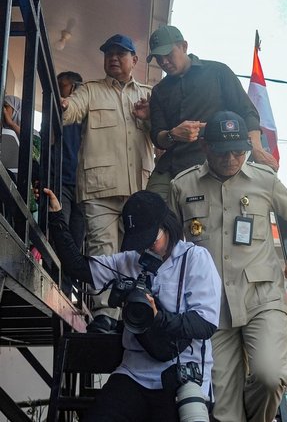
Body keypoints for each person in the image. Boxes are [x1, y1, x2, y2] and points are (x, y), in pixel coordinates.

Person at [168, 110, 287, 422]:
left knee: (271, 375)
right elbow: (169, 243)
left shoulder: (265, 181)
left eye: (239, 152)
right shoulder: (183, 186)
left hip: (261, 297)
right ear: (206, 148)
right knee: (221, 405)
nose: (233, 159)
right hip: (210, 308)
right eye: (224, 152)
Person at [44, 187, 221, 421]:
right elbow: (79, 267)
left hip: (182, 376)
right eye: (140, 243)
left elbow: (205, 325)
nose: (146, 249)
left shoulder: (195, 259)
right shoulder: (129, 261)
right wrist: (57, 217)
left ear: (167, 227)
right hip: (133, 373)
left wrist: (158, 317)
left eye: (151, 241)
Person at [61, 34, 154, 332]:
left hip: (139, 191)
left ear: (134, 61)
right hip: (99, 188)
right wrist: (62, 105)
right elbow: (72, 109)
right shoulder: (89, 90)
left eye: (120, 53)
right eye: (108, 53)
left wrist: (150, 119)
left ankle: (133, 310)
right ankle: (105, 314)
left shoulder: (149, 96)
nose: (113, 58)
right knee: (103, 249)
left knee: (137, 254)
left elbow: (163, 137)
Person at [145, 25, 278, 199]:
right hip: (170, 166)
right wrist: (173, 134)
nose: (163, 62)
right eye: (158, 58)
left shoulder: (218, 72)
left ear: (184, 46)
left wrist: (257, 150)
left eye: (168, 55)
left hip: (213, 163)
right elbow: (158, 136)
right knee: (147, 209)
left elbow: (248, 113)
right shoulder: (159, 91)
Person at [56, 71, 85, 296]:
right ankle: (58, 281)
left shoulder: (86, 112)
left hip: (85, 184)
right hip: (62, 180)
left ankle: (66, 286)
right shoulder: (57, 112)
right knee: (60, 230)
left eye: (62, 86)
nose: (58, 91)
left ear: (73, 88)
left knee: (76, 238)